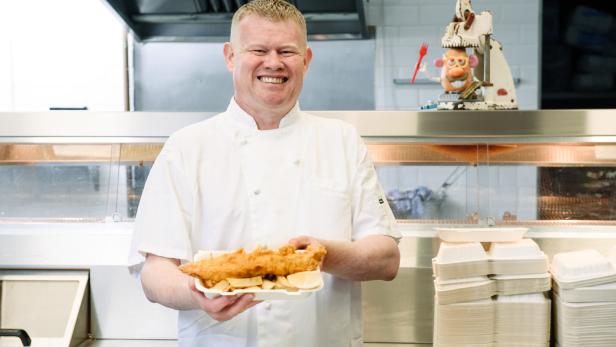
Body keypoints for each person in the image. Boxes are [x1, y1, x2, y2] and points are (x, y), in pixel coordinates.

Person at [129, 0, 401, 346]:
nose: (273, 63)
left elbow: (386, 259)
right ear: (230, 56)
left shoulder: (342, 141)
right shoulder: (187, 147)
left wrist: (324, 255)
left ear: (307, 59)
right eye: (258, 49)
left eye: (287, 51)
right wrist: (197, 291)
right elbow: (155, 272)